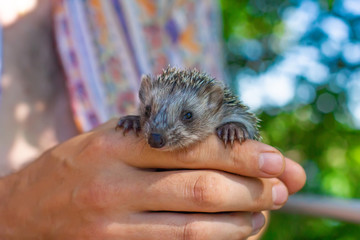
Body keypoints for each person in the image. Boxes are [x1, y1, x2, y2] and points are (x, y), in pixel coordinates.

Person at [0, 0, 306, 239]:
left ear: (214, 105)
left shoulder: (185, 13)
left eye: (187, 117)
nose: (156, 135)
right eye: (147, 114)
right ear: (143, 97)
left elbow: (249, 192)